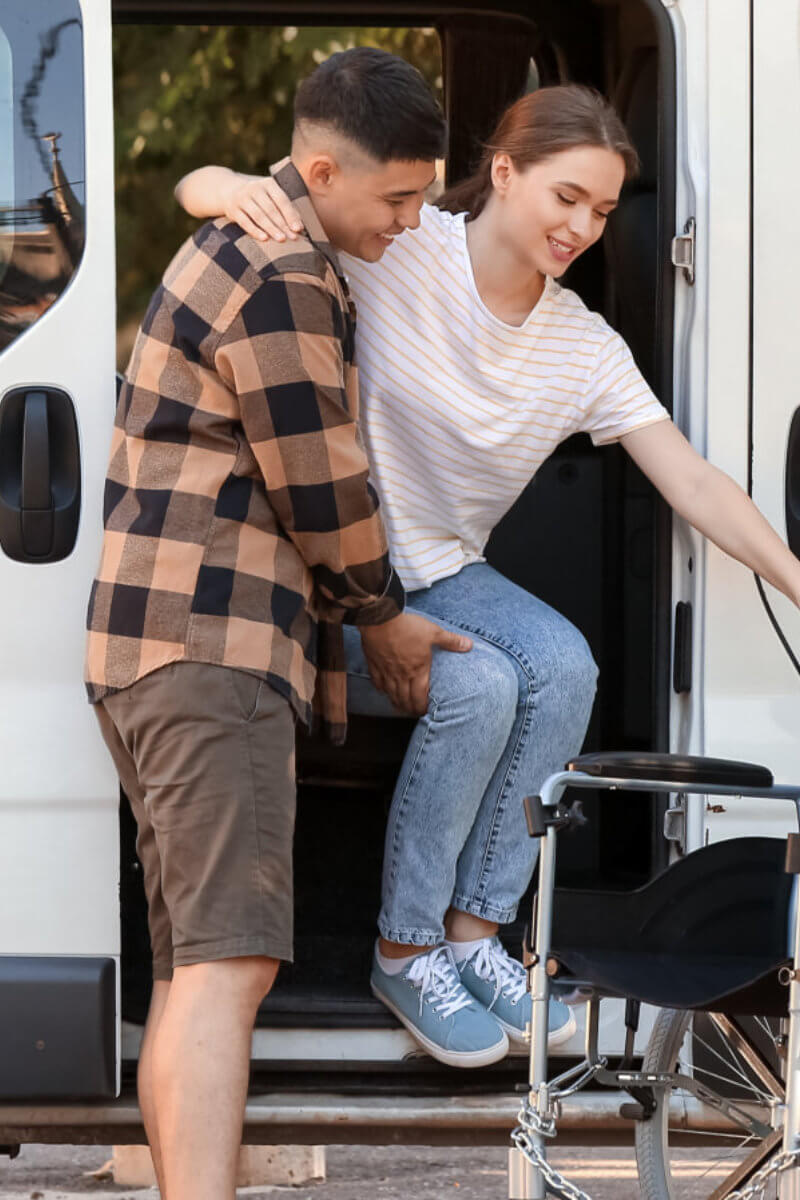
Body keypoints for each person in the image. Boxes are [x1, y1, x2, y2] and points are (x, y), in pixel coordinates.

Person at [177, 83, 800, 1071]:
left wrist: (795, 577)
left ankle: (474, 935)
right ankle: (404, 948)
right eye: (565, 197)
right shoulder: (399, 246)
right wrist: (225, 188)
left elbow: (688, 478)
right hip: (329, 574)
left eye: (599, 211)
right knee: (479, 685)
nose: (580, 228)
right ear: (502, 171)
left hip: (443, 573)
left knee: (563, 665)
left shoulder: (580, 346)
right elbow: (210, 184)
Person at [84, 48, 483, 1200]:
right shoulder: (282, 273)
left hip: (155, 653)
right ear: (320, 169)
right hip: (212, 650)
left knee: (192, 971)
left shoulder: (252, 233)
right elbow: (321, 486)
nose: (411, 224)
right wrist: (384, 621)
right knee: (227, 970)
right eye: (398, 198)